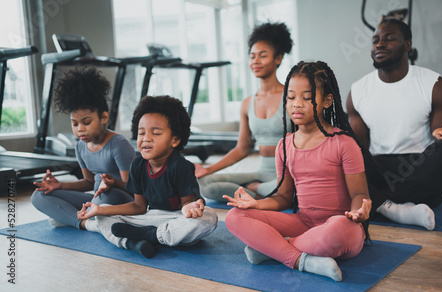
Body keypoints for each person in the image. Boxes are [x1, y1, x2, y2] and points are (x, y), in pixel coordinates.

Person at [224, 61, 372, 281]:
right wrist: (256, 204)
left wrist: (357, 213)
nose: (297, 104)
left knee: (341, 229)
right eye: (291, 97)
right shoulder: (284, 145)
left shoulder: (343, 143)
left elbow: (359, 194)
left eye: (307, 97)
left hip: (339, 225)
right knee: (235, 216)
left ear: (327, 101)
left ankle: (273, 250)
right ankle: (302, 260)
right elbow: (283, 197)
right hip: (303, 224)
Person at [346, 19, 442, 230]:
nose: (380, 44)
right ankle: (397, 209)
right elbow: (357, 150)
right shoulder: (357, 91)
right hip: (379, 170)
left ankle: (380, 204)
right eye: (375, 40)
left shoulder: (434, 84)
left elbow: (441, 131)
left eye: (389, 38)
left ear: (407, 45)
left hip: (421, 171)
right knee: (342, 151)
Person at [77, 95, 218, 259]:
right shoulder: (137, 165)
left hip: (176, 219)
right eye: (141, 132)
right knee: (102, 216)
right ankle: (134, 243)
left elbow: (186, 203)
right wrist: (99, 209)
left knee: (208, 217)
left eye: (156, 133)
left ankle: (152, 236)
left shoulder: (181, 166)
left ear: (175, 140)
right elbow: (139, 207)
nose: (146, 138)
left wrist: (189, 207)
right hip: (149, 217)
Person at [195, 22, 293, 202]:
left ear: (278, 58)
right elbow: (242, 149)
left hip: (289, 176)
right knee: (205, 184)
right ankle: (262, 196)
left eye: (262, 56)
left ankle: (267, 194)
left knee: (285, 187)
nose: (255, 61)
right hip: (262, 173)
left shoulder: (292, 97)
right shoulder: (248, 103)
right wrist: (207, 169)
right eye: (252, 56)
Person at [31, 66, 135, 231]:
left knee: (104, 196)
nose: (80, 128)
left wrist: (111, 184)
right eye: (75, 123)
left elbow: (134, 188)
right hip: (95, 200)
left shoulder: (119, 144)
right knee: (39, 195)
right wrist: (60, 186)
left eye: (86, 122)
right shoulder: (80, 146)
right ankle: (85, 223)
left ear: (104, 118)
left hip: (119, 199)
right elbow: (88, 182)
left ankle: (70, 216)